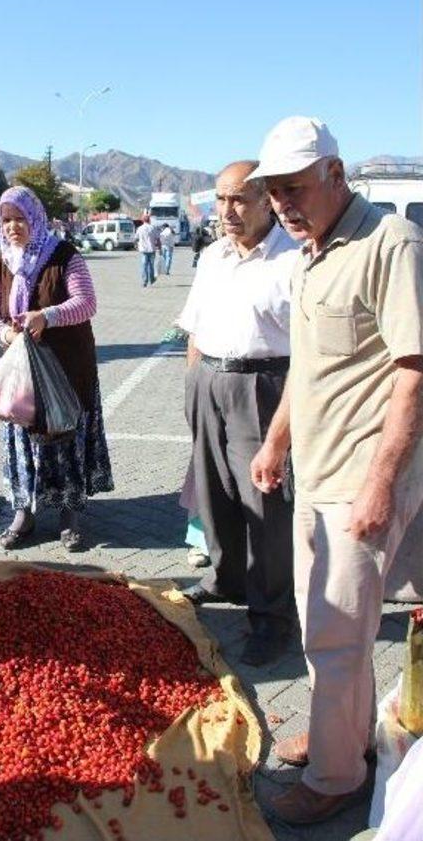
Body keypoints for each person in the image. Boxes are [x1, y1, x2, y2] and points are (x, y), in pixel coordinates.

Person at [249, 116, 423, 825]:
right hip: (315, 477)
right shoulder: (311, 253)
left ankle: (335, 777)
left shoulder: (391, 243)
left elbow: (413, 370)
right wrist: (276, 442)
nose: (283, 203)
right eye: (274, 192)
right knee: (325, 624)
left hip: (362, 477)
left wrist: (381, 483)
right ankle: (341, 742)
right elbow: (308, 366)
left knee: (337, 628)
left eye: (295, 187)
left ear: (336, 174)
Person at [179, 161, 299, 666]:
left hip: (263, 386)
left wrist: (282, 430)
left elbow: (309, 350)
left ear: (267, 199)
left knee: (266, 504)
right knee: (215, 491)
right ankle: (225, 579)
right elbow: (194, 326)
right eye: (221, 199)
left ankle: (273, 616)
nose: (227, 210)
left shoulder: (293, 259)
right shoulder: (211, 256)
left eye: (239, 199)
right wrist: (194, 388)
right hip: (209, 379)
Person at [0, 186, 113, 552]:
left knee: (65, 437)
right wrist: (6, 332)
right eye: (6, 220)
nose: (12, 227)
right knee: (22, 441)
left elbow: (86, 303)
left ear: (35, 218)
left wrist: (47, 316)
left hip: (66, 371)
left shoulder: (64, 255)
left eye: (20, 218)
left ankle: (70, 517)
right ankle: (23, 514)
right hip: (22, 374)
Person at [135, 214, 161, 286]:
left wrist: (136, 246)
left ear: (143, 220)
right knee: (151, 265)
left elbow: (136, 238)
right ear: (149, 220)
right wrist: (160, 248)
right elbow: (158, 239)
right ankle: (151, 279)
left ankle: (145, 281)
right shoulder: (153, 228)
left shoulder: (139, 229)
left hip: (143, 250)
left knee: (144, 265)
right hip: (152, 249)